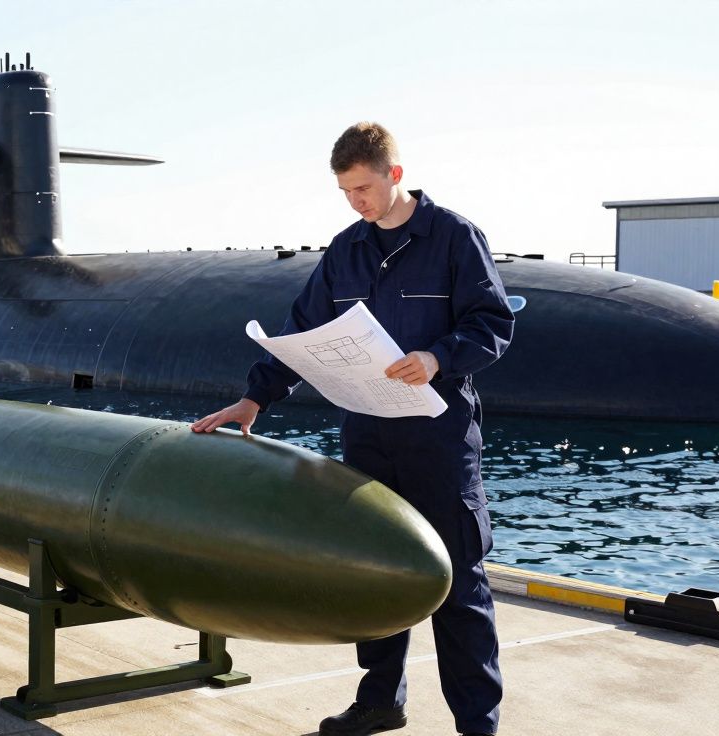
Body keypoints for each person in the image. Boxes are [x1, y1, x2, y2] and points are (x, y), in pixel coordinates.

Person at [191, 122, 514, 736]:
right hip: (368, 431)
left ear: (395, 174)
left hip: (436, 438)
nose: (357, 202)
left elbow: (493, 323)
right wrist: (254, 400)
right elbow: (304, 329)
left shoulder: (453, 239)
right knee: (374, 569)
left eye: (364, 188)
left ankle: (479, 724)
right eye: (346, 192)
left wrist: (438, 357)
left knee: (460, 582)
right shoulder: (347, 249)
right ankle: (380, 702)